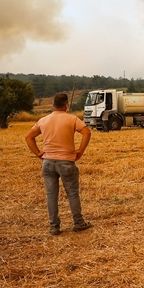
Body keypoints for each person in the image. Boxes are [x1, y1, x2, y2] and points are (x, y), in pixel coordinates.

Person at [25, 93, 93, 235]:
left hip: (48, 162)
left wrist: (38, 153)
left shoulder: (43, 120)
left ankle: (54, 226)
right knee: (72, 194)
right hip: (66, 161)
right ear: (66, 105)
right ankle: (78, 222)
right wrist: (80, 150)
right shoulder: (72, 119)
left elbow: (29, 137)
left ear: (53, 105)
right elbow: (87, 132)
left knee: (51, 195)